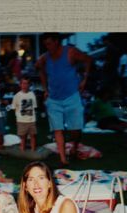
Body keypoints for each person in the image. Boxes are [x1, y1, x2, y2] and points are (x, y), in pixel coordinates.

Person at [35, 33, 93, 164]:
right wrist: (45, 89)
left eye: (49, 44)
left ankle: (75, 146)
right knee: (58, 129)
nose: (47, 47)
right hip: (54, 99)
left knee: (75, 130)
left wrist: (84, 79)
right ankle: (63, 158)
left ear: (57, 42)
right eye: (45, 45)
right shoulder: (45, 58)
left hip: (71, 96)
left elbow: (88, 59)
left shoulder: (71, 52)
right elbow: (39, 68)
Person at [11, 75, 38, 151]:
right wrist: (18, 118)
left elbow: (34, 107)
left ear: (29, 85)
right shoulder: (17, 96)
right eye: (23, 83)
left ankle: (33, 150)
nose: (25, 85)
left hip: (31, 120)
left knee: (33, 136)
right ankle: (22, 150)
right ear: (20, 84)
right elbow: (14, 107)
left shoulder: (32, 94)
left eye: (26, 83)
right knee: (23, 137)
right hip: (21, 120)